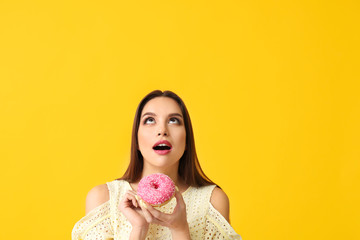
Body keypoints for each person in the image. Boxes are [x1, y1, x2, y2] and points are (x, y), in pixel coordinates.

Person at [72, 90, 242, 240]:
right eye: (150, 120)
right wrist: (138, 231)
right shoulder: (104, 199)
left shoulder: (213, 201)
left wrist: (180, 230)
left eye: (174, 120)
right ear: (136, 140)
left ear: (187, 139)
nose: (162, 130)